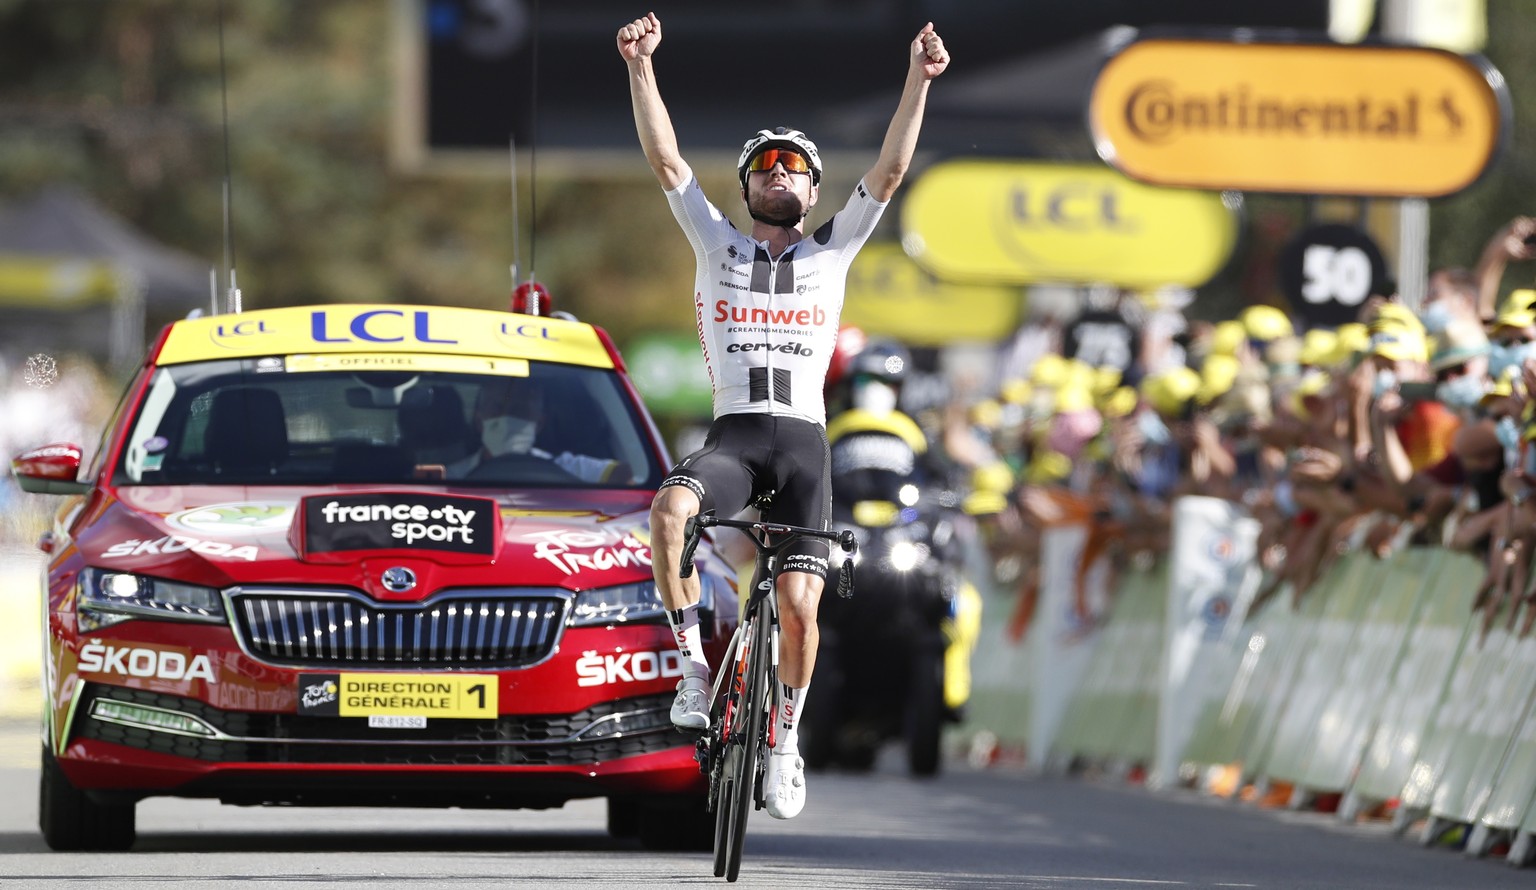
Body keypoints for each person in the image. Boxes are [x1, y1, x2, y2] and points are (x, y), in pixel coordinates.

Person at [617, 11, 949, 820]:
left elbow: (893, 170)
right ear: (748, 186)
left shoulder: (832, 249)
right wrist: (640, 67)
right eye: (766, 166)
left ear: (811, 187)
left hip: (802, 447)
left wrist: (920, 79)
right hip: (734, 437)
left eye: (796, 167)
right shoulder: (714, 242)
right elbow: (665, 158)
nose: (782, 174)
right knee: (667, 512)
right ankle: (693, 667)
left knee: (800, 615)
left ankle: (786, 743)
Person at [446, 376, 627, 483]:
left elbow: (634, 478)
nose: (507, 418)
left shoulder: (565, 468)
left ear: (539, 423)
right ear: (479, 420)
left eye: (520, 410)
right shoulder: (452, 477)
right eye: (497, 408)